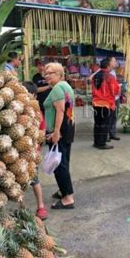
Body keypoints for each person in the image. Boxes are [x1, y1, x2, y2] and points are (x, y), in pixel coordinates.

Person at [43, 62, 76, 209]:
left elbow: (60, 111)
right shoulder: (66, 86)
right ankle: (64, 190)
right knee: (64, 162)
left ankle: (68, 198)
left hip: (60, 131)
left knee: (59, 165)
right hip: (68, 129)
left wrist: (56, 132)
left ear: (59, 74)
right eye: (46, 73)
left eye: (50, 73)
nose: (46, 75)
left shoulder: (57, 89)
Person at [22, 81, 48, 220]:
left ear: (35, 96)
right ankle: (22, 208)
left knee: (34, 179)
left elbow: (42, 131)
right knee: (19, 181)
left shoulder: (37, 112)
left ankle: (41, 206)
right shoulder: (18, 109)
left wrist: (37, 145)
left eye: (29, 95)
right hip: (19, 152)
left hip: (32, 152)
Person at [92, 57, 120, 150]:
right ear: (108, 66)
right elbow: (115, 90)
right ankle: (102, 143)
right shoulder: (109, 76)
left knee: (97, 123)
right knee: (104, 124)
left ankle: (96, 142)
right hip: (106, 103)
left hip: (96, 103)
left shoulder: (95, 75)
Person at [108, 57, 121, 141]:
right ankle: (106, 135)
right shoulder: (105, 72)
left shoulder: (113, 72)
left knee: (114, 116)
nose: (115, 62)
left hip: (116, 97)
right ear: (109, 62)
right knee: (109, 116)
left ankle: (112, 133)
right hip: (110, 98)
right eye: (114, 61)